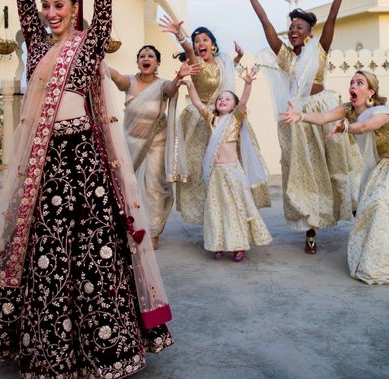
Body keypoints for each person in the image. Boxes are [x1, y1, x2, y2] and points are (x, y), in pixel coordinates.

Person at [0, 0, 172, 378]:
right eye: (45, 5)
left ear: (75, 6)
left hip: (85, 162)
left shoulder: (89, 46)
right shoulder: (38, 45)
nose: (49, 11)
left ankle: (107, 349)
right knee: (45, 253)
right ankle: (50, 352)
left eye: (58, 3)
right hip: (45, 165)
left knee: (95, 254)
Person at [280, 71, 389, 284]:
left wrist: (348, 127)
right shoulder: (348, 109)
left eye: (360, 83)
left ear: (371, 92)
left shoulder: (382, 112)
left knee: (382, 205)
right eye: (352, 82)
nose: (353, 86)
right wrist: (301, 116)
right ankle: (375, 256)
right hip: (381, 166)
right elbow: (323, 118)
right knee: (370, 208)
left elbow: (367, 126)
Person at [238, 0, 361, 254]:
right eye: (291, 27)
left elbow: (332, 17)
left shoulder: (320, 50)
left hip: (325, 110)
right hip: (297, 117)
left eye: (299, 28)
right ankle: (310, 230)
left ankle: (358, 216)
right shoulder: (283, 57)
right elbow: (266, 22)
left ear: (309, 34)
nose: (293, 31)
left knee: (338, 164)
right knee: (305, 172)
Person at [158, 19, 270, 224]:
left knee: (234, 169)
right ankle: (213, 221)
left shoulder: (223, 61)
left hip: (227, 119)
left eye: (205, 39)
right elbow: (189, 52)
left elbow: (226, 72)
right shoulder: (197, 64)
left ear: (213, 44)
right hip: (202, 120)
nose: (201, 43)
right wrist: (180, 35)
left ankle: (236, 216)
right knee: (203, 171)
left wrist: (239, 57)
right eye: (197, 40)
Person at [108, 46, 198, 249]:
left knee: (154, 187)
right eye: (142, 56)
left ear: (157, 63)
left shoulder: (162, 84)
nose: (146, 58)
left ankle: (154, 231)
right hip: (131, 143)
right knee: (129, 187)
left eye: (151, 56)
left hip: (156, 141)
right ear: (137, 61)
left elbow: (171, 90)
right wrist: (104, 67)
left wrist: (178, 79)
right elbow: (118, 80)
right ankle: (131, 227)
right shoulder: (129, 80)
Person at [183, 69, 272, 262]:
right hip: (216, 173)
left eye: (227, 99)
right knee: (217, 209)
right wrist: (190, 84)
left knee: (236, 207)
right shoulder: (212, 120)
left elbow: (244, 103)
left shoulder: (235, 119)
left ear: (233, 106)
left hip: (232, 171)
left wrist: (248, 84)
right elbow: (198, 103)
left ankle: (238, 245)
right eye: (220, 99)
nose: (222, 100)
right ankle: (218, 243)